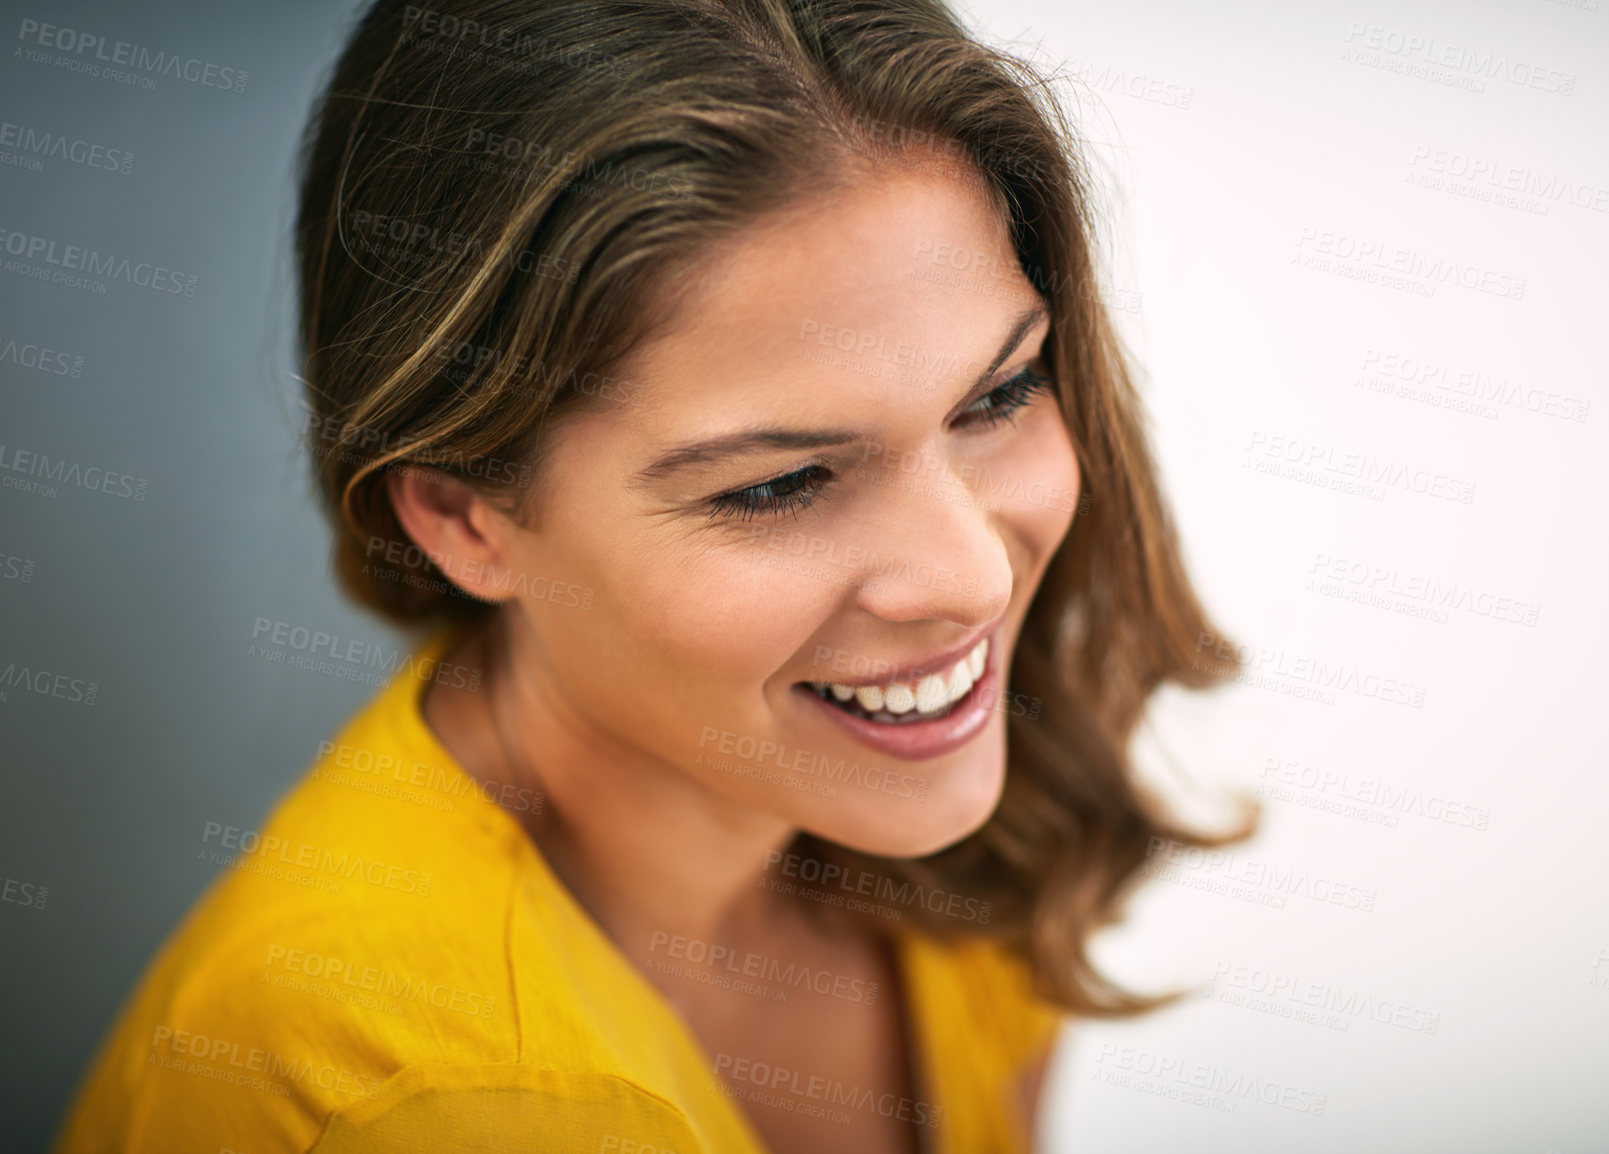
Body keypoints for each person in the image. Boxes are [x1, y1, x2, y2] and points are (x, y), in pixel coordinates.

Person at [52, 1, 1252, 1150]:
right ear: (466, 518)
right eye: (782, 483)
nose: (972, 576)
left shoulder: (961, 821)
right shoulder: (407, 1099)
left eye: (997, 395)